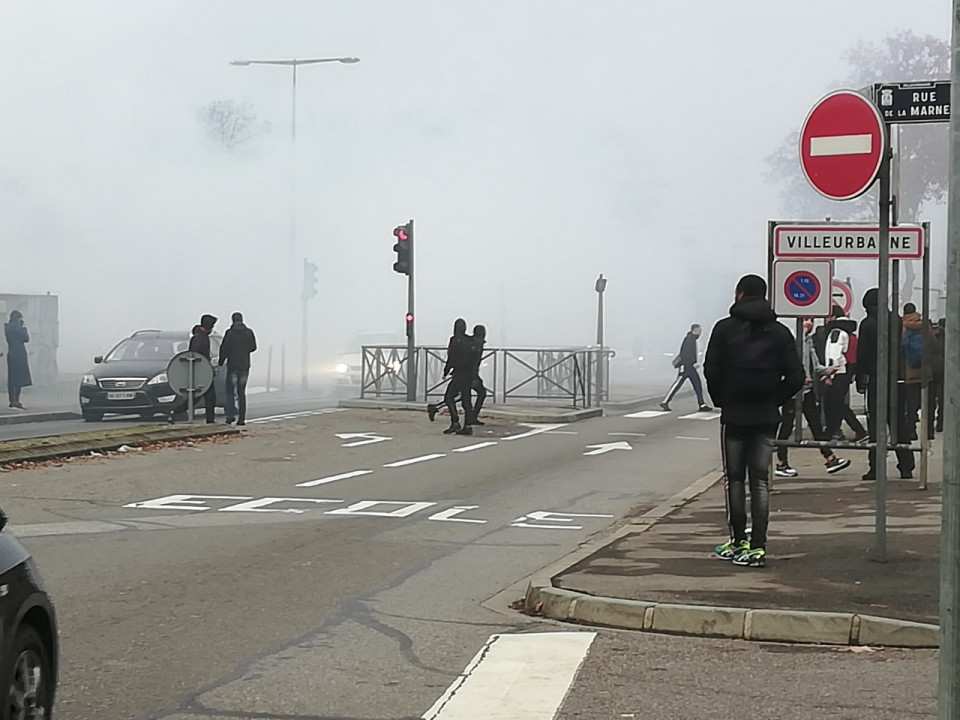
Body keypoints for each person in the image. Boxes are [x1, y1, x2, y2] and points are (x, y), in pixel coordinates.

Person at [704, 275, 803, 569]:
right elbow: (796, 377)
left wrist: (721, 398)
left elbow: (711, 370)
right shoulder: (780, 332)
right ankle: (758, 545)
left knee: (734, 479)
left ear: (739, 294)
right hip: (765, 415)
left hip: (734, 414)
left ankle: (737, 541)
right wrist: (775, 398)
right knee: (759, 480)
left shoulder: (723, 329)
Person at [775, 317, 851, 478]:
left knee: (816, 425)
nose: (810, 323)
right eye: (806, 320)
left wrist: (828, 370)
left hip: (807, 391)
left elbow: (815, 365)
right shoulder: (794, 341)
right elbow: (791, 364)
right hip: (793, 391)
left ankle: (830, 459)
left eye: (811, 320)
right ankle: (781, 463)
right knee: (787, 427)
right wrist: (799, 378)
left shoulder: (808, 341)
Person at [856, 289, 915, 480]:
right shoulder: (895, 319)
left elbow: (862, 354)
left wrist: (860, 379)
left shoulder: (867, 324)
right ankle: (906, 466)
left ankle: (876, 467)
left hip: (876, 379)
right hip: (895, 377)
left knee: (876, 425)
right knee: (898, 422)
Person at [822, 305, 867, 443]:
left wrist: (830, 374)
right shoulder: (850, 333)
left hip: (839, 370)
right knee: (838, 402)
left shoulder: (836, 332)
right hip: (849, 369)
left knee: (835, 403)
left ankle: (833, 432)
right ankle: (849, 430)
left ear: (832, 317)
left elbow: (834, 355)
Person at [427, 319, 474, 435]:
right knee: (466, 400)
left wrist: (446, 371)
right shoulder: (469, 340)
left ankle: (455, 423)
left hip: (459, 374)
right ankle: (468, 426)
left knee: (449, 397)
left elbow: (451, 357)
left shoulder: (454, 340)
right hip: (469, 374)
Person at [169, 314, 218, 424]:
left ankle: (177, 412)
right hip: (201, 371)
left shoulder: (200, 336)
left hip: (201, 370)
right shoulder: (200, 338)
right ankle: (209, 419)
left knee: (198, 396)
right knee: (207, 396)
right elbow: (194, 355)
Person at [660, 324, 712, 413]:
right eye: (699, 331)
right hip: (686, 367)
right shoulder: (689, 339)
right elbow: (685, 353)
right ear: (695, 330)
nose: (700, 333)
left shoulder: (691, 339)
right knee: (678, 384)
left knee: (697, 385)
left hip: (690, 367)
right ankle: (665, 402)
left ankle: (702, 404)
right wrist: (693, 363)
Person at [218, 312, 257, 427]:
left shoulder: (229, 333)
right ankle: (242, 418)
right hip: (244, 366)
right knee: (241, 393)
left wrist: (221, 361)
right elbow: (253, 347)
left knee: (230, 391)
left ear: (232, 320)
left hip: (233, 366)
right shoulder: (249, 332)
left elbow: (224, 348)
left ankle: (230, 416)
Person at [900, 302, 927, 441]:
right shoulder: (924, 326)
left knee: (907, 401)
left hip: (907, 371)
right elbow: (933, 347)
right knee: (920, 401)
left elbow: (899, 348)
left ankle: (910, 430)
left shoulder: (902, 326)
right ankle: (924, 429)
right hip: (922, 371)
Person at [4, 310, 31, 410]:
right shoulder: (18, 327)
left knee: (12, 378)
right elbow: (26, 338)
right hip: (19, 354)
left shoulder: (7, 327)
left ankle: (12, 400)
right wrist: (23, 327)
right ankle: (16, 400)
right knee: (19, 379)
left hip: (11, 354)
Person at [467, 324, 488, 426]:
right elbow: (474, 361)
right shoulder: (478, 344)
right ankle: (472, 416)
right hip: (470, 373)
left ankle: (471, 416)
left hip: (466, 372)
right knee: (481, 393)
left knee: (463, 394)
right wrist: (474, 377)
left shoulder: (471, 341)